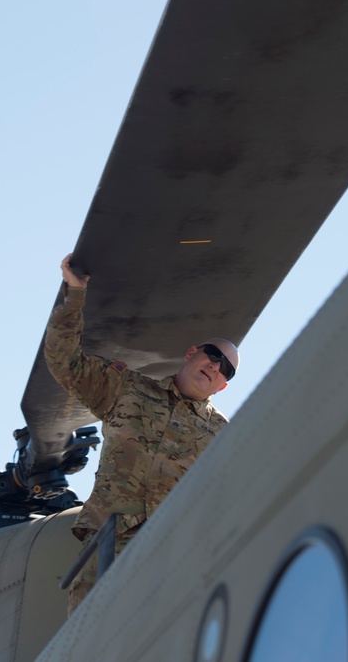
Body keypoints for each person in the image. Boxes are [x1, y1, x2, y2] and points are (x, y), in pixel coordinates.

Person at [45, 253, 239, 613]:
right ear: (192, 352)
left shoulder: (225, 435)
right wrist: (74, 295)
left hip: (172, 558)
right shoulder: (127, 389)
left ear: (223, 386)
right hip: (107, 547)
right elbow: (64, 360)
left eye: (225, 368)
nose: (214, 366)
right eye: (212, 355)